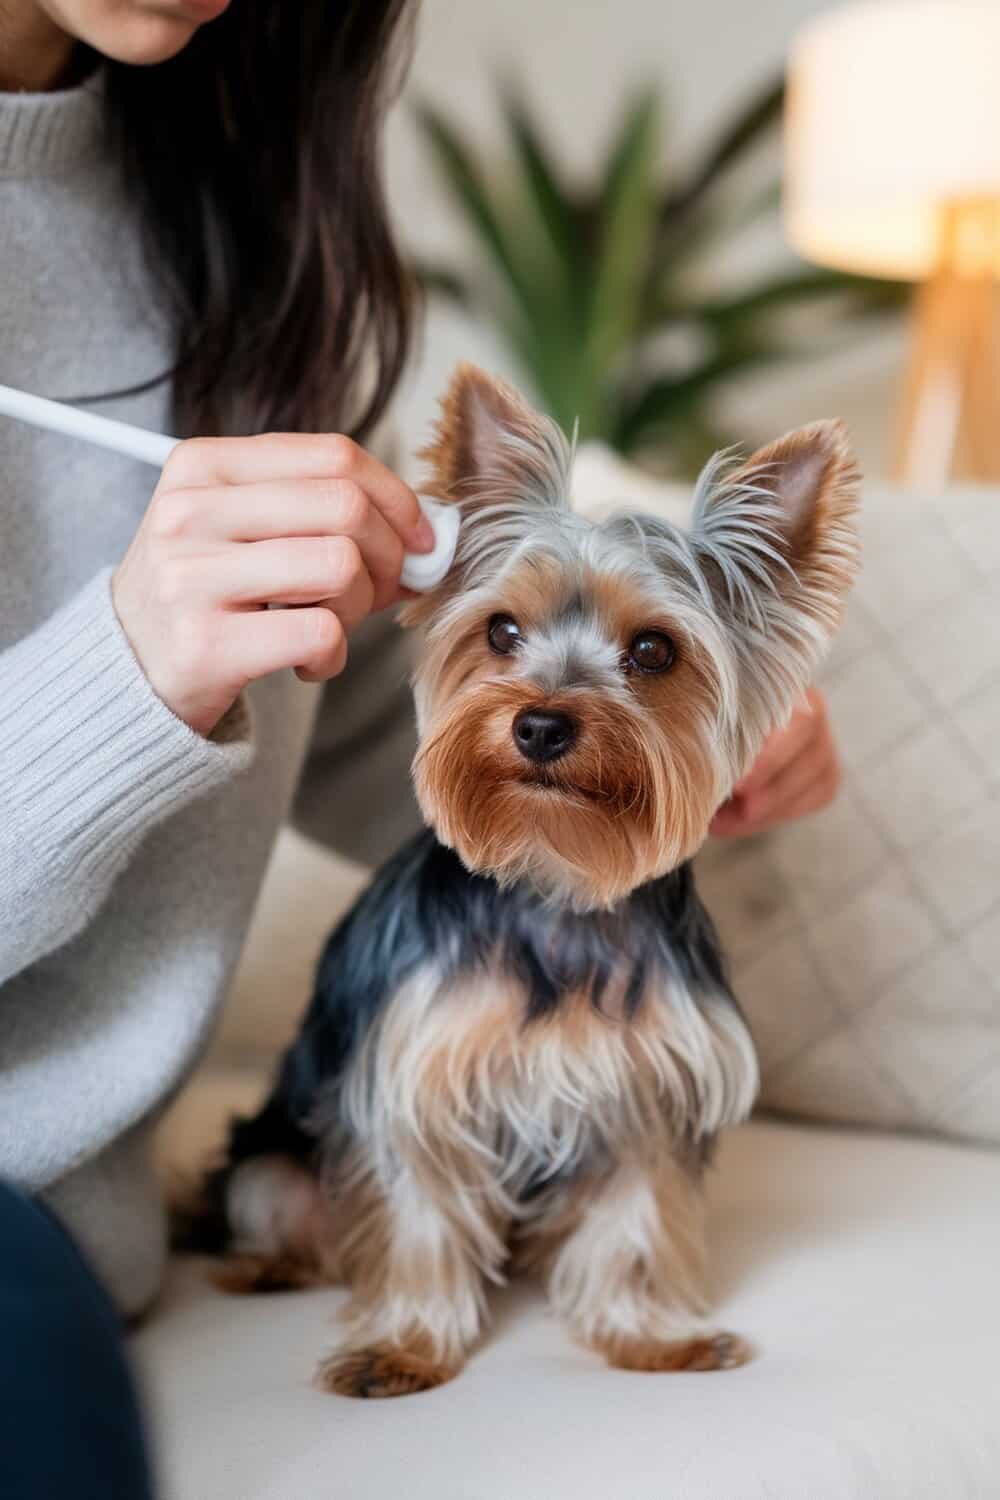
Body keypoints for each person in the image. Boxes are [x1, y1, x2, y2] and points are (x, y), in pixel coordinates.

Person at [0, 0, 840, 1490]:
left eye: (652, 653)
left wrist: (681, 743)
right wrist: (126, 668)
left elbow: (345, 712)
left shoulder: (270, 225)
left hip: (73, 1230)